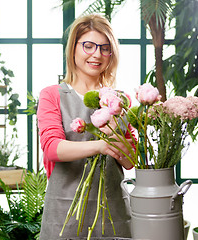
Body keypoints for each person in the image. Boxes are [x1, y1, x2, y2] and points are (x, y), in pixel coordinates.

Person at [37, 14, 134, 240]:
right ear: (74, 49)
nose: (96, 54)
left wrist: (115, 134)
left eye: (104, 48)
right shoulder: (53, 95)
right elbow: (52, 148)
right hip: (65, 212)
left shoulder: (120, 100)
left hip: (112, 211)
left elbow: (130, 161)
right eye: (88, 46)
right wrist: (101, 145)